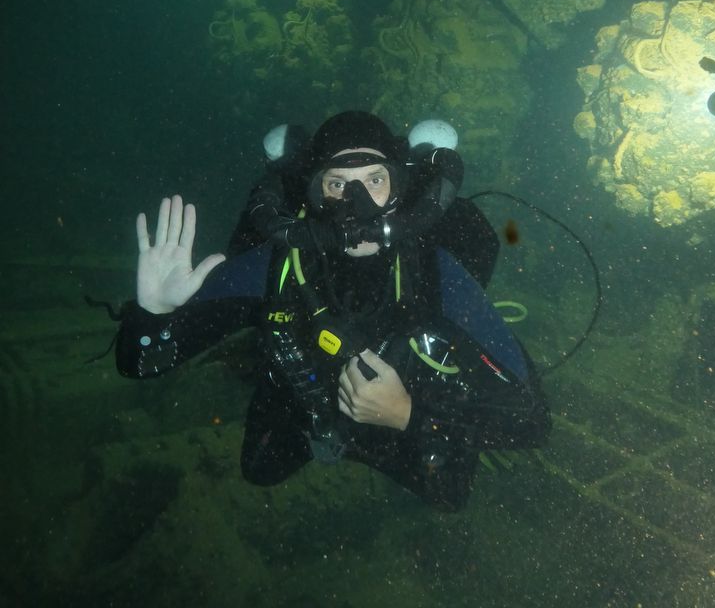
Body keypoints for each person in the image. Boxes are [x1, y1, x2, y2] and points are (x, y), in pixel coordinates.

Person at [116, 111, 550, 511]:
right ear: (312, 192)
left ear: (400, 189)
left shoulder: (437, 273)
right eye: (337, 184)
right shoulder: (276, 266)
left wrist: (407, 416)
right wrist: (152, 313)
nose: (356, 205)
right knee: (260, 469)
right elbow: (140, 362)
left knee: (449, 493)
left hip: (405, 416)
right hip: (308, 410)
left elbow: (533, 422)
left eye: (374, 180)